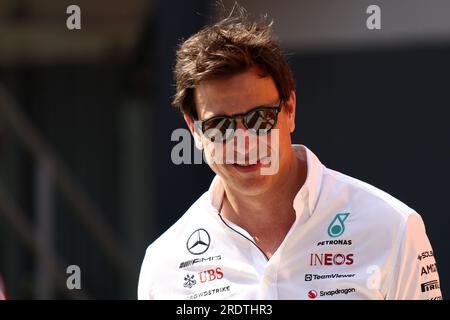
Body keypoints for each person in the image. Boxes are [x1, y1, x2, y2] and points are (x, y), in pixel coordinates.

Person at [138, 9, 442, 300]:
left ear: (290, 110)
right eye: (220, 125)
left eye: (259, 118)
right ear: (195, 130)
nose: (244, 142)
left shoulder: (393, 227)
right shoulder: (165, 264)